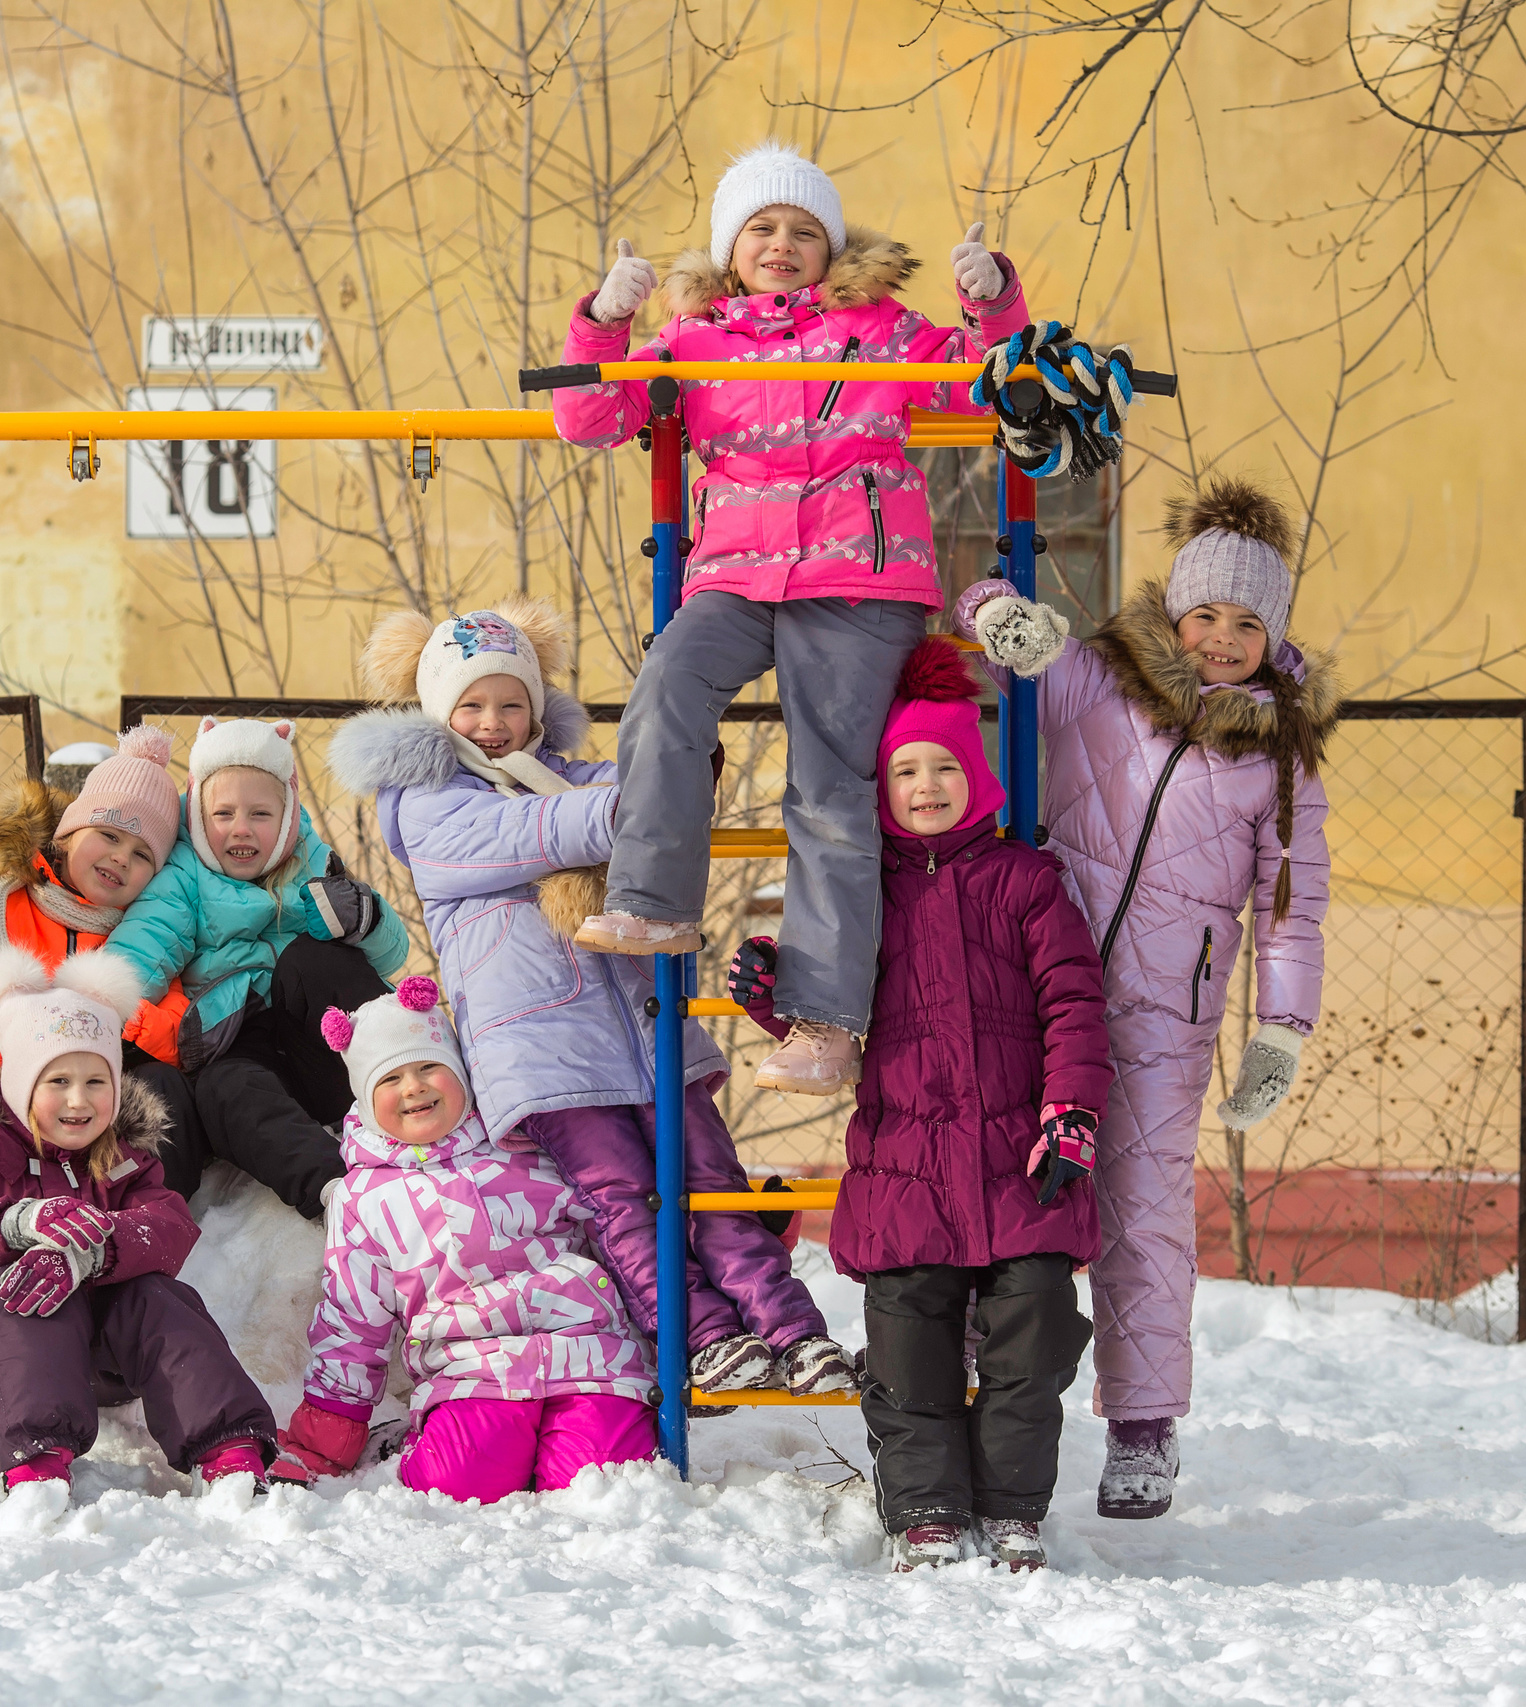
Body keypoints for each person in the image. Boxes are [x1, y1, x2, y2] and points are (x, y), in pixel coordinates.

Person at [550, 140, 1032, 1099]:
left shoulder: (882, 328)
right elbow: (589, 418)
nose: (781, 244)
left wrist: (992, 301)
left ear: (831, 249)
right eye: (761, 229)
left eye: (803, 231)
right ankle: (653, 899)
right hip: (734, 575)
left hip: (859, 577)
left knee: (830, 787)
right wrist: (604, 322)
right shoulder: (694, 340)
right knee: (666, 689)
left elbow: (985, 383)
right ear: (731, 251)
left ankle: (825, 1022)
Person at [327, 599, 845, 1398]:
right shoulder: (426, 807)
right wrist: (644, 806)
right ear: (438, 713)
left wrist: (684, 760)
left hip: (645, 1024)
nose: (493, 722)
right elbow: (539, 831)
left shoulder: (569, 774)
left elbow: (646, 783)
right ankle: (701, 1335)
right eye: (471, 704)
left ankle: (790, 1327)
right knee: (624, 1198)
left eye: (511, 702)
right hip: (541, 1054)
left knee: (713, 1180)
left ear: (536, 708)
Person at [957, 475, 1339, 1519]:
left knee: (1144, 1214)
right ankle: (966, 1374)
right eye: (1205, 614)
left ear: (1273, 636)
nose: (1223, 639)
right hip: (1035, 992)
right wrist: (999, 615)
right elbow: (986, 623)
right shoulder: (1097, 685)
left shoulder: (1280, 759)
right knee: (1002, 1183)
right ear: (1174, 612)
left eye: (1247, 624)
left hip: (1168, 1016)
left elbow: (1292, 907)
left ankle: (1142, 1424)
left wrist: (1282, 1027)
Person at [730, 636, 1108, 1569]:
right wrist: (774, 992)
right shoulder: (861, 894)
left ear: (976, 776)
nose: (926, 785)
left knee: (1034, 1335)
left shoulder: (1024, 881)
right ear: (882, 786)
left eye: (944, 765)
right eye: (906, 769)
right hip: (904, 1163)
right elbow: (828, 1007)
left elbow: (1074, 1001)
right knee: (907, 1349)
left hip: (1022, 1157)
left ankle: (1012, 1506)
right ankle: (925, 1509)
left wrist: (1071, 1110)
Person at [0, 953, 276, 1498]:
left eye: (96, 1080)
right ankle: (35, 1460)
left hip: (92, 1358)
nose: (79, 1100)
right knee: (26, 1290)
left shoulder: (123, 1153)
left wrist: (91, 1253)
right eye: (58, 1080)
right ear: (21, 1084)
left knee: (158, 1296)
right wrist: (12, 1228)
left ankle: (228, 1448)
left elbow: (166, 1225)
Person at [269, 978, 657, 1502]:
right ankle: (414, 1444)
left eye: (429, 1066)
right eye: (391, 1077)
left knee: (605, 1484)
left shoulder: (525, 1140)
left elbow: (615, 1223)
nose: (414, 1087)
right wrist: (324, 1440)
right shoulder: (364, 1199)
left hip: (587, 1350)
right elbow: (351, 1320)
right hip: (470, 1368)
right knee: (456, 1484)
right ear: (363, 1094)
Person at [96, 716, 408, 1219]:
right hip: (238, 1047)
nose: (240, 828)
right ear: (197, 815)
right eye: (223, 813)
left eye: (260, 813)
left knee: (316, 956)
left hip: (327, 1048)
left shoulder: (313, 859)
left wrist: (364, 919)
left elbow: (389, 957)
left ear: (287, 816)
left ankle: (407, 1075)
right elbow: (141, 951)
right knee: (222, 1087)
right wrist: (92, 1007)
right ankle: (342, 1196)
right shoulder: (183, 876)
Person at [0, 728, 197, 1133]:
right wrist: (14, 1048)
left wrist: (120, 1015)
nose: (121, 858)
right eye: (109, 835)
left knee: (163, 1086)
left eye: (142, 855)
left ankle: (141, 1177)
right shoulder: (0, 902)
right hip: (9, 1081)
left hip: (95, 1098)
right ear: (68, 833)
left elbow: (179, 1031)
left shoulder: (147, 927)